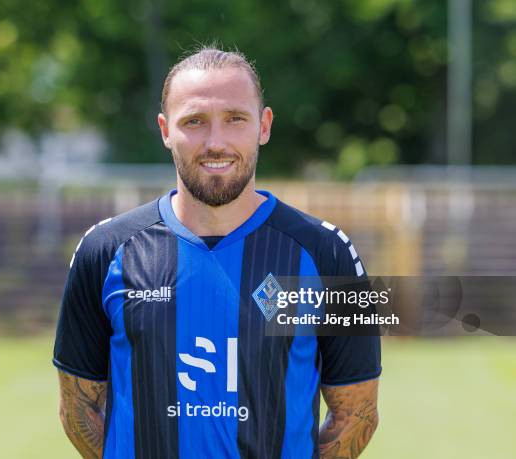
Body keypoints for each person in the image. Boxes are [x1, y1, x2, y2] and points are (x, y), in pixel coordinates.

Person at [53, 46, 381, 459]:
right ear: (165, 130)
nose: (215, 142)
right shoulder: (102, 251)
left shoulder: (331, 253)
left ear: (263, 126)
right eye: (194, 121)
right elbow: (77, 408)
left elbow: (358, 414)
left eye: (235, 119)